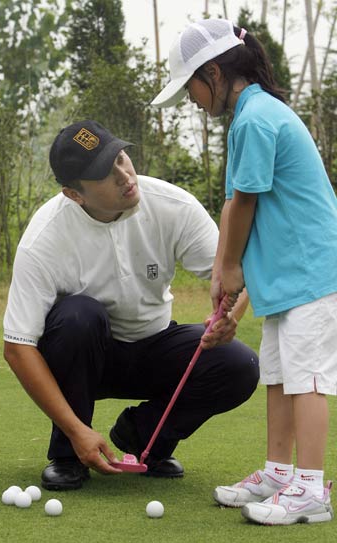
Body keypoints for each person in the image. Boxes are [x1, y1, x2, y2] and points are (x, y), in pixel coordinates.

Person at [3, 119, 259, 492]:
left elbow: (237, 271)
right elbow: (17, 348)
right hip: (87, 359)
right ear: (75, 194)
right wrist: (78, 431)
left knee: (239, 365)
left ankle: (144, 439)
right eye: (106, 174)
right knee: (79, 316)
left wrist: (229, 317)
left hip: (155, 347)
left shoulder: (173, 205)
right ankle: (69, 453)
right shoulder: (44, 239)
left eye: (122, 158)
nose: (125, 175)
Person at [152, 18, 337, 526]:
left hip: (312, 273)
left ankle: (311, 491)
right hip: (285, 278)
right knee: (279, 377)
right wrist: (230, 288)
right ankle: (280, 474)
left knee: (307, 381)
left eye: (189, 85)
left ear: (212, 72)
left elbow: (246, 204)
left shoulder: (256, 119)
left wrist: (228, 266)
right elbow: (237, 207)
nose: (190, 98)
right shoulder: (249, 118)